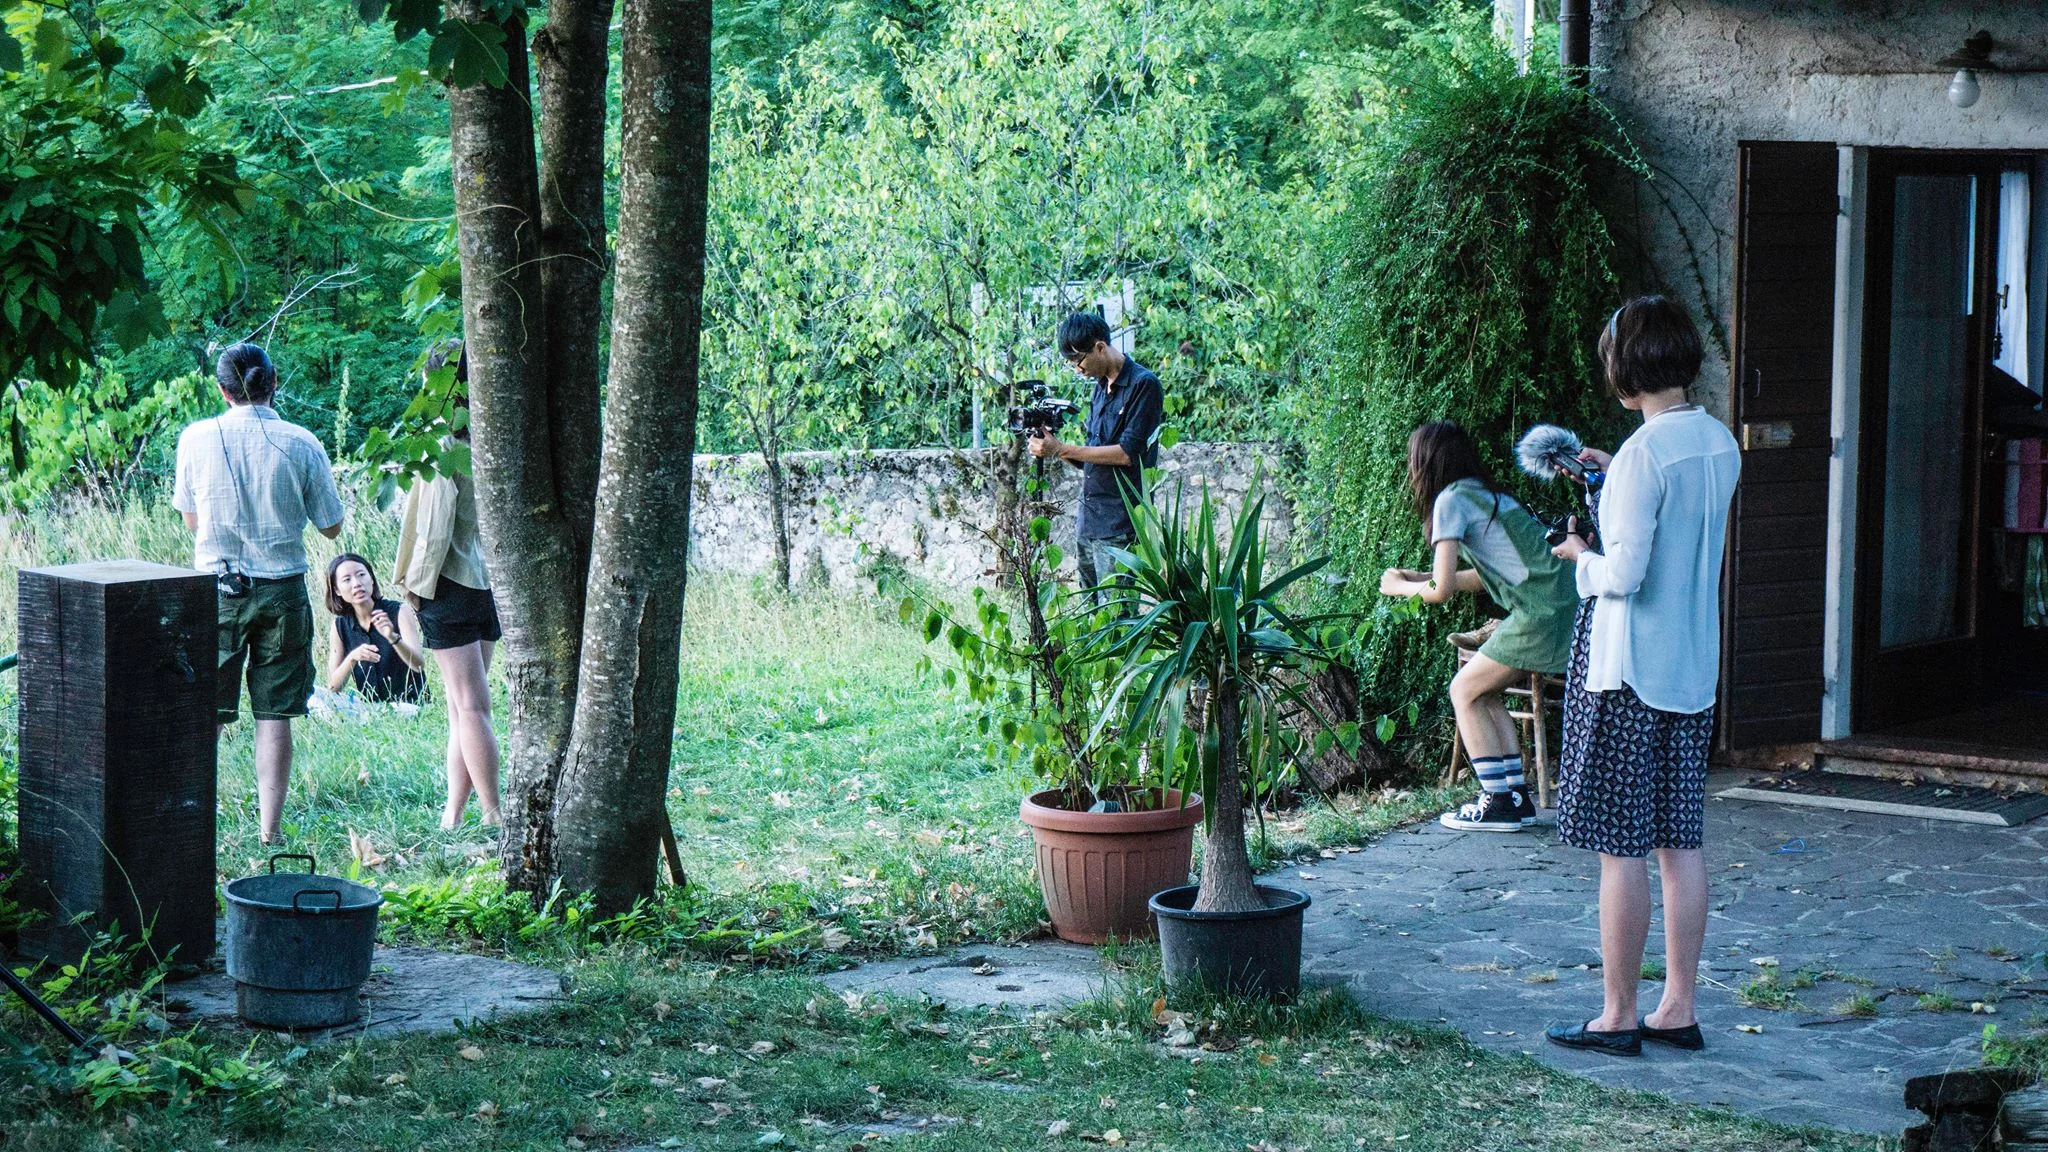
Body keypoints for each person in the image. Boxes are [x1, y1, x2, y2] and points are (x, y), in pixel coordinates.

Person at [1543, 296, 1741, 1058]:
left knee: (1620, 849)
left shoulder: (1640, 458)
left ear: (1626, 373)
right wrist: (1612, 472)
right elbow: (1673, 521)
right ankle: (1677, 1007)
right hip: (1691, 668)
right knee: (1679, 842)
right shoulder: (1718, 442)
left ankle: (1617, 1014)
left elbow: (1622, 573)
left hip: (1627, 676)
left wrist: (1578, 558)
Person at [174, 343, 345, 845]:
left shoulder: (196, 438)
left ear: (222, 390)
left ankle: (191, 825)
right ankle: (269, 832)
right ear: (274, 382)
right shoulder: (302, 441)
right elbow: (331, 526)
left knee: (206, 714)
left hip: (217, 591)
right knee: (274, 716)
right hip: (282, 591)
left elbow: (191, 521)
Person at [1380, 421, 1578, 832]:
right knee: (1483, 693)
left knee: (1463, 690)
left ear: (1426, 463)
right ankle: (1515, 797)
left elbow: (1441, 591)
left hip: (1539, 611)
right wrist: (1421, 578)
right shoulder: (1488, 494)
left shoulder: (1450, 500)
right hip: (1557, 602)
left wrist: (1399, 587)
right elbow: (1485, 576)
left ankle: (1498, 801)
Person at [395, 342, 504, 830]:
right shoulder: (493, 433)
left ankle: (493, 813)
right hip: (488, 581)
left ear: (438, 382)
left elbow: (435, 528)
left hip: (449, 581)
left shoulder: (443, 443)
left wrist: (415, 588)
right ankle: (453, 815)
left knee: (471, 706)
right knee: (463, 708)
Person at [1026, 311, 1164, 606]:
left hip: (1121, 522)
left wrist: (1061, 449)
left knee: (1117, 614)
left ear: (1100, 347)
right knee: (1090, 613)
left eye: (1079, 361)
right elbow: (1093, 456)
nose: (1077, 370)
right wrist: (1051, 445)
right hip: (1089, 519)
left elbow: (1126, 454)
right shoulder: (1101, 387)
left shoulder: (1144, 385)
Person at [322, 552, 427, 706]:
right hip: (371, 710)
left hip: (409, 705)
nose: (356, 583)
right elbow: (333, 687)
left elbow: (418, 665)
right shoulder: (339, 625)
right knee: (316, 699)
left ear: (371, 579)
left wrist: (393, 638)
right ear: (337, 590)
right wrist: (352, 658)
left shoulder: (399, 611)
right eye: (347, 579)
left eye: (361, 575)